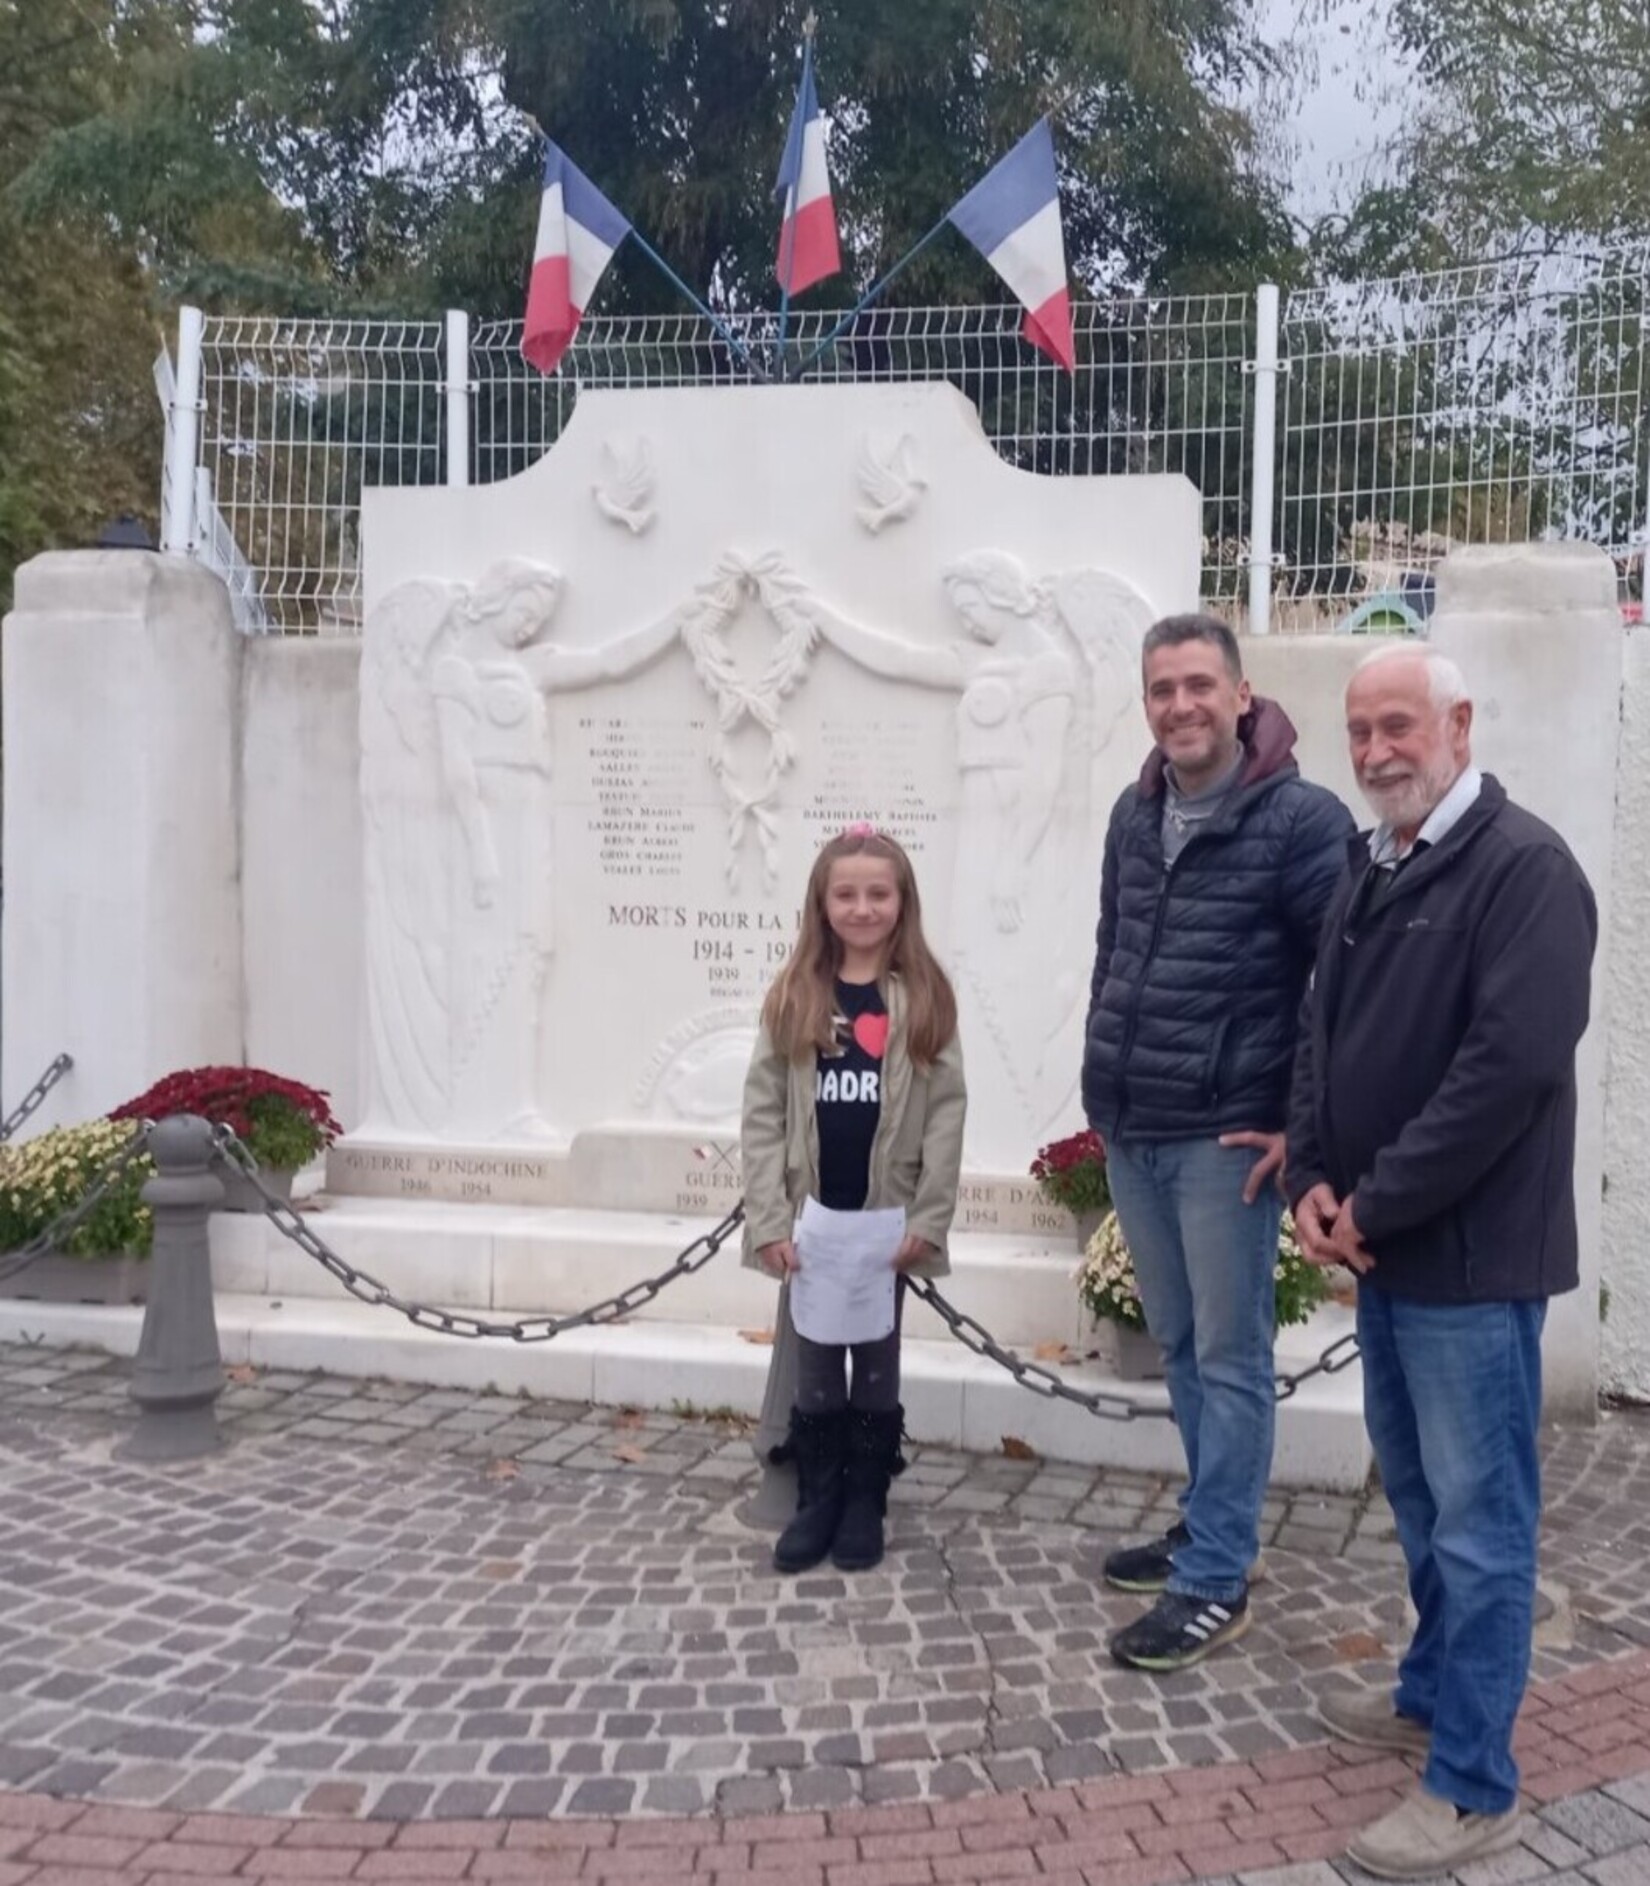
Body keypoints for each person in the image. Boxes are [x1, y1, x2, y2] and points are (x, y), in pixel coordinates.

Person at [1287, 643, 1596, 1880]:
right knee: (1417, 1499)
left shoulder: (1525, 870)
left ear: (1459, 723)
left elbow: (1503, 1075)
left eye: (1398, 725)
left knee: (1482, 1524)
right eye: (1359, 730)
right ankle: (1427, 1685)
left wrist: (1375, 1203)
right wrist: (1314, 1174)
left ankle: (1474, 1781)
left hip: (1468, 1261)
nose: (1374, 752)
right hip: (1389, 1254)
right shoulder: (1374, 862)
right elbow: (1320, 1031)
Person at [1082, 612, 1354, 1671]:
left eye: (1201, 684)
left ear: (1243, 695)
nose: (1181, 705)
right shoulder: (1131, 811)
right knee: (1184, 1346)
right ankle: (1209, 1521)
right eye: (1162, 689)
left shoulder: (1300, 820)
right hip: (1133, 1123)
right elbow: (1116, 945)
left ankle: (1217, 1578)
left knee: (1230, 1355)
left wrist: (1305, 1120)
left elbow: (1344, 984)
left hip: (1225, 1136)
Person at [741, 825, 966, 1575]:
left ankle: (866, 1497)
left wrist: (930, 1218)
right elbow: (763, 1111)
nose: (863, 907)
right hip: (814, 1223)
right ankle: (819, 1497)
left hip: (884, 1223)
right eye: (847, 893)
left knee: (875, 1362)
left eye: (879, 893)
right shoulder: (796, 995)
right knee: (813, 1366)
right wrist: (770, 1218)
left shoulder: (924, 997)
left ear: (902, 903)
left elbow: (946, 1112)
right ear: (822, 902)